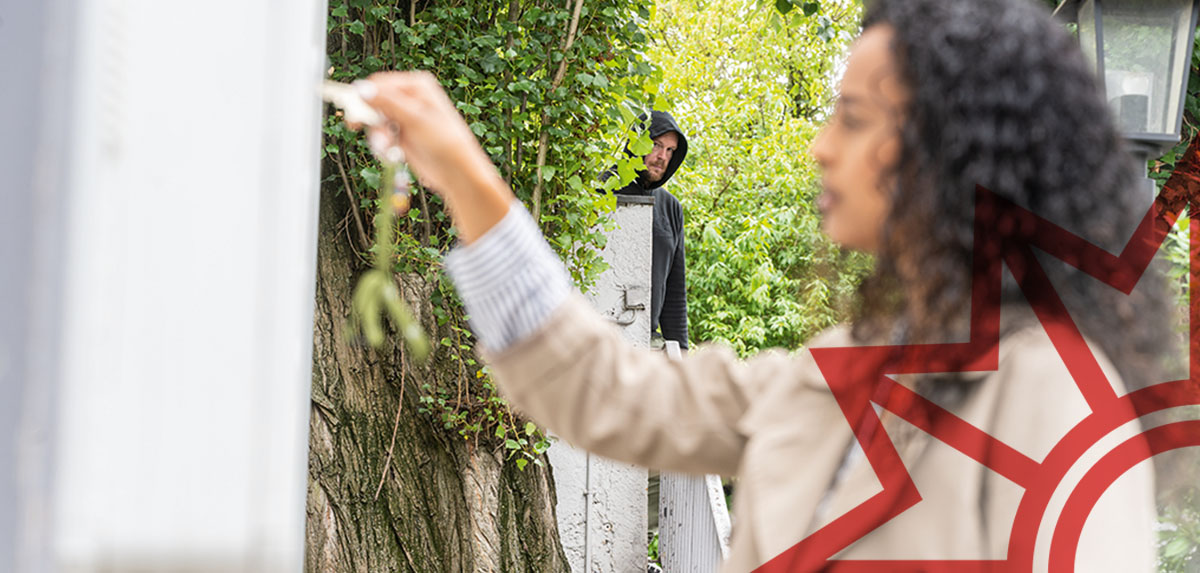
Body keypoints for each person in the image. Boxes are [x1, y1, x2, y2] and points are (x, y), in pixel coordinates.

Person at [348, 0, 1170, 569]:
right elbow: (606, 389)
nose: (819, 147)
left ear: (946, 148)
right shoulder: (841, 368)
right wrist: (464, 176)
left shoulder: (1059, 403)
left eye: (851, 117)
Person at [610, 111, 690, 350]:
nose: (662, 157)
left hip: (646, 342)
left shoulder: (670, 207)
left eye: (670, 151)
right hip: (598, 339)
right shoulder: (601, 191)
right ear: (636, 141)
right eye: (656, 145)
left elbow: (675, 290)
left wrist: (681, 352)